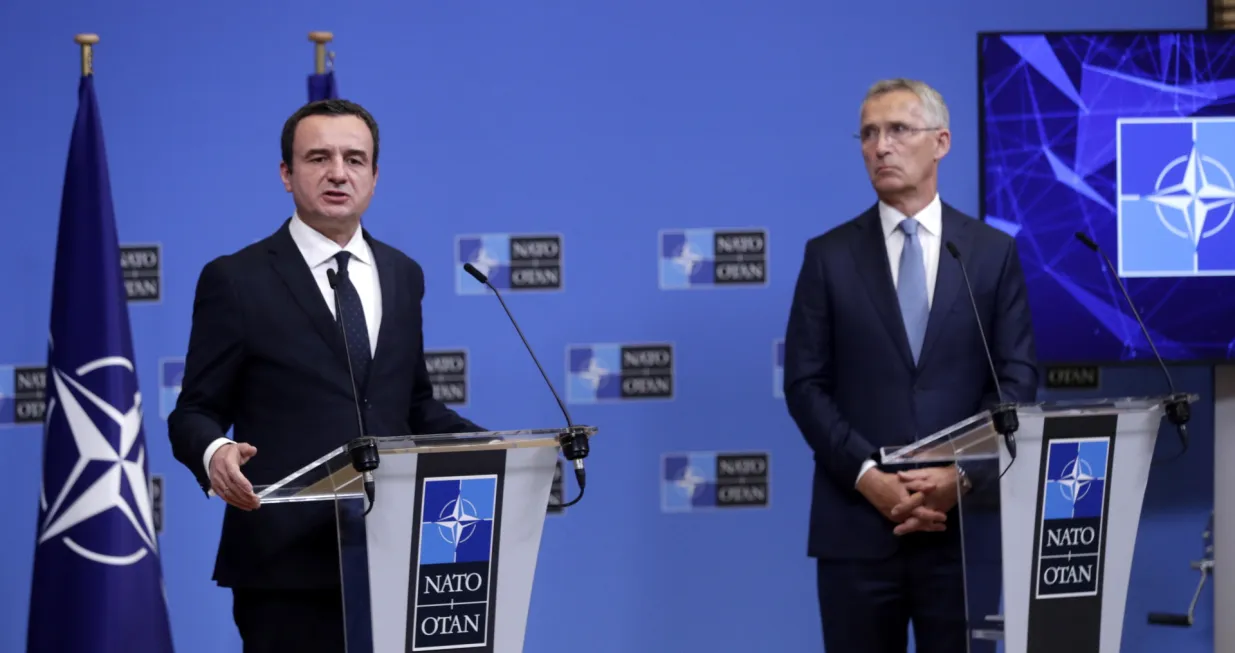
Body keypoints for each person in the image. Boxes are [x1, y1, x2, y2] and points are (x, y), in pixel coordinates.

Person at [167, 98, 484, 653]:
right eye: (319, 157)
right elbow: (193, 411)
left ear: (375, 176)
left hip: (398, 553)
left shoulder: (402, 274)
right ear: (286, 174)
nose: (339, 172)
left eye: (355, 159)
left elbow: (413, 407)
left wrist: (495, 452)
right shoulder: (236, 280)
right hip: (286, 567)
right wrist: (215, 452)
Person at [782, 78, 1038, 653]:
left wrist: (961, 476)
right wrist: (869, 477)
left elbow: (1015, 383)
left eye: (898, 130)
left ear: (941, 142)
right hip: (857, 527)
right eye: (869, 134)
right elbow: (804, 384)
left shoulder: (991, 254)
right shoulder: (828, 257)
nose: (880, 146)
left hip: (964, 531)